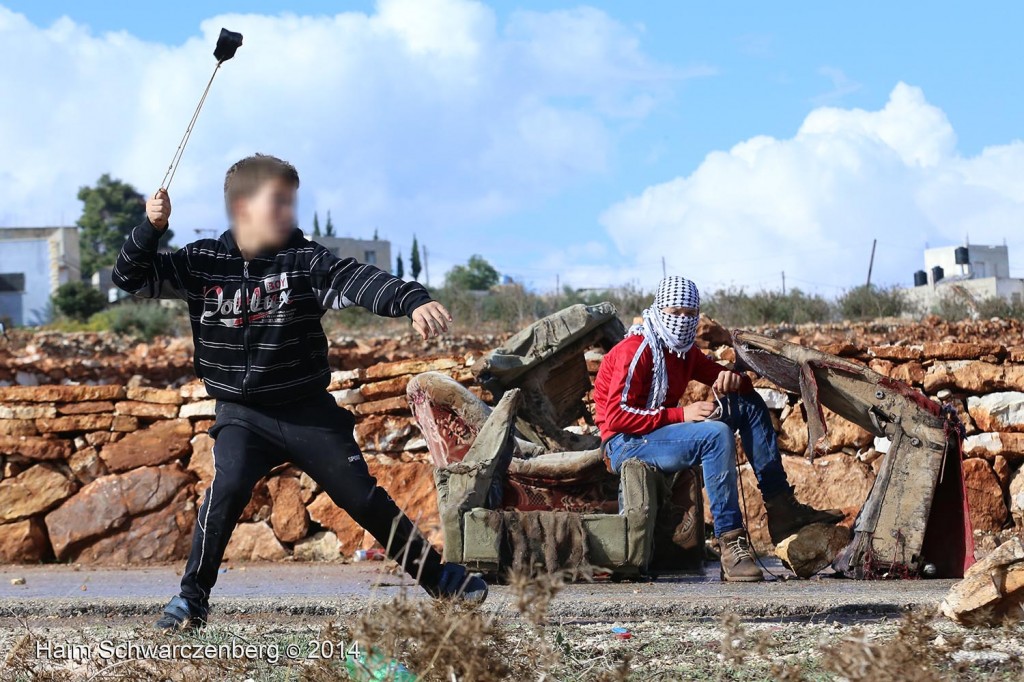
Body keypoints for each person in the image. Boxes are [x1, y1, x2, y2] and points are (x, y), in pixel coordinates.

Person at [113, 154, 487, 630]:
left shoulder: (303, 259)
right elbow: (129, 277)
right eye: (279, 203)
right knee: (224, 491)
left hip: (308, 411)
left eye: (292, 203)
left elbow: (357, 278)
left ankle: (441, 581)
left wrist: (411, 299)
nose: (290, 214)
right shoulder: (201, 262)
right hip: (242, 414)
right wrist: (150, 227)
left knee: (364, 499)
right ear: (243, 206)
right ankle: (191, 601)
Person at [592, 276, 843, 582]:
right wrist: (680, 414)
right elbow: (617, 416)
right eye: (675, 312)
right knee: (715, 436)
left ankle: (781, 508)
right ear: (659, 309)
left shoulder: (682, 352)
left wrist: (734, 380)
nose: (682, 320)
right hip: (625, 442)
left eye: (690, 314)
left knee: (748, 405)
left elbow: (736, 383)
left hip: (656, 434)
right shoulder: (638, 349)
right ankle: (731, 543)